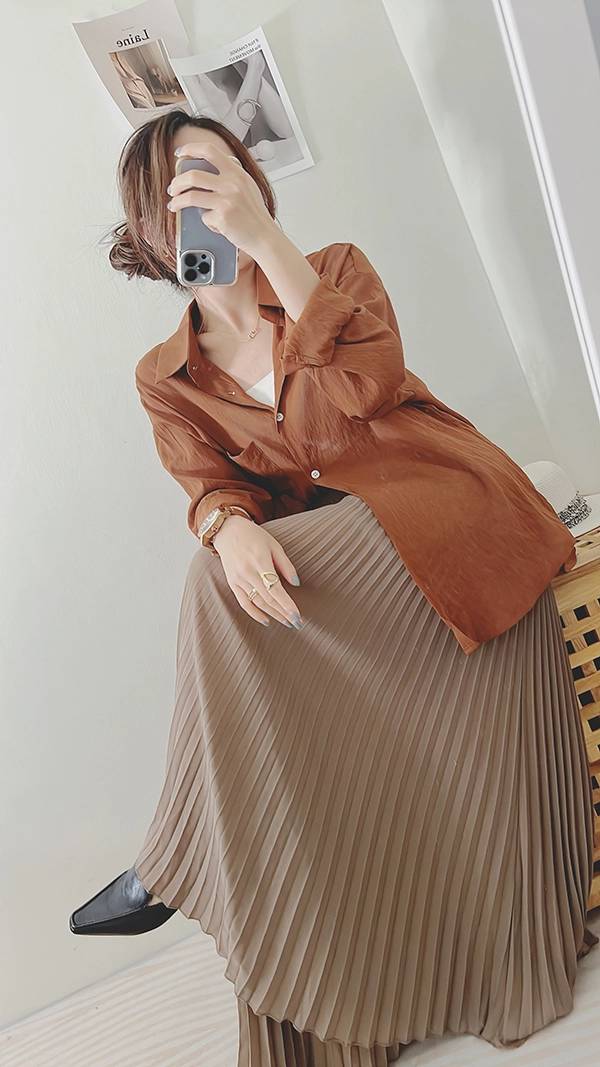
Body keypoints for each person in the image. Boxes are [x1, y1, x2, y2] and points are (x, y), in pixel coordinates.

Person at [69, 109, 598, 1064]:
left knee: (212, 590)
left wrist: (270, 248)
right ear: (153, 221)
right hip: (350, 561)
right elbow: (208, 484)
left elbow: (366, 393)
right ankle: (317, 952)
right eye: (185, 187)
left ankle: (169, 859)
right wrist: (227, 525)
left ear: (251, 185)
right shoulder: (164, 376)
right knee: (216, 576)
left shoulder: (334, 269)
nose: (209, 198)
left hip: (444, 503)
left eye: (222, 174)